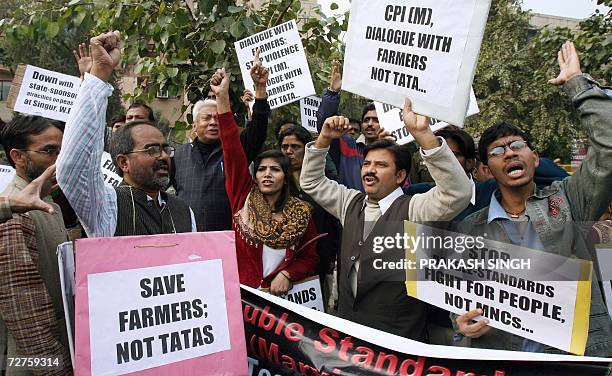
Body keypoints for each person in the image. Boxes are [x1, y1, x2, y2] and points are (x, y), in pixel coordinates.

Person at [453, 42, 611, 356]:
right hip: (508, 359)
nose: (509, 152)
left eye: (516, 146)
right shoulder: (469, 230)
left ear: (535, 158)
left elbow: (608, 147)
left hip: (576, 359)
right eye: (497, 152)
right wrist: (462, 323)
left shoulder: (569, 200)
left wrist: (577, 83)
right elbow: (459, 300)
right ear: (487, 168)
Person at [301, 98, 472, 340]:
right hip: (350, 336)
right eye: (367, 164)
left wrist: (424, 135)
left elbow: (457, 193)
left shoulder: (414, 209)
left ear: (401, 175)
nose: (370, 170)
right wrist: (324, 140)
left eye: (381, 165)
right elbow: (311, 181)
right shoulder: (350, 202)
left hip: (398, 344)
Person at [57, 31, 195, 237]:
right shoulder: (107, 207)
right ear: (123, 162)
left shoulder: (184, 212)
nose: (164, 156)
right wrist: (99, 73)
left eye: (165, 149)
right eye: (152, 149)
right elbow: (73, 168)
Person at [212, 65, 319, 295]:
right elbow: (232, 148)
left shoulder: (301, 212)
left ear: (286, 176)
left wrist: (287, 274)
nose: (267, 174)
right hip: (243, 300)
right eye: (262, 169)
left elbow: (310, 258)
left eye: (275, 170)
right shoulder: (243, 197)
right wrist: (222, 98)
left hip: (282, 307)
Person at [0, 116, 72, 375]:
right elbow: (25, 312)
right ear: (18, 156)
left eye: (62, 151)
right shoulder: (13, 215)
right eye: (49, 151)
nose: (59, 159)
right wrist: (56, 368)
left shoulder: (48, 203)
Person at [170, 50, 268, 231]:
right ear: (194, 125)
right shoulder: (179, 155)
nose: (213, 123)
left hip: (228, 238)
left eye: (218, 118)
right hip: (187, 237)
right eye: (207, 118)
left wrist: (260, 90)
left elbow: (258, 130)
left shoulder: (235, 151)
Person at [278, 125, 342, 307]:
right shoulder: (274, 183)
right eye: (284, 147)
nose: (289, 152)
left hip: (320, 259)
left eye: (295, 147)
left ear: (306, 149)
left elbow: (333, 222)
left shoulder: (326, 181)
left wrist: (331, 255)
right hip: (284, 265)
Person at [316, 61, 382, 191]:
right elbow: (326, 125)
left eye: (375, 120)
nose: (370, 124)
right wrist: (333, 93)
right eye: (366, 120)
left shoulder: (395, 151)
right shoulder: (347, 146)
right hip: (352, 209)